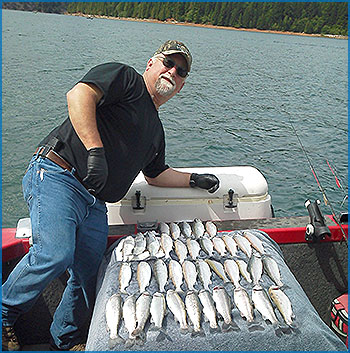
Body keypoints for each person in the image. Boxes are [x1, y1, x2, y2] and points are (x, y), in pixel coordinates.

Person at [2, 40, 220, 351]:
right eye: (167, 63)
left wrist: (194, 179)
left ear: (182, 85)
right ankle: (3, 313)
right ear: (150, 63)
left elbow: (155, 175)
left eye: (180, 70)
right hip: (57, 174)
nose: (172, 71)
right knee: (55, 253)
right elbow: (79, 95)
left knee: (89, 274)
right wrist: (95, 151)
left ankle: (64, 340)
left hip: (95, 203)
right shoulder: (125, 79)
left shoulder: (156, 131)